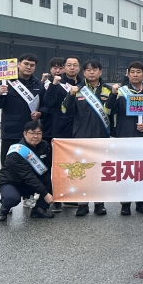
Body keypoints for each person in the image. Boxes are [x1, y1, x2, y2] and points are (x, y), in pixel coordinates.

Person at [106, 61, 143, 216]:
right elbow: (109, 110)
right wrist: (113, 94)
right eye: (132, 72)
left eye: (139, 72)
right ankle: (125, 204)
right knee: (125, 171)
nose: (135, 74)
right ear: (127, 74)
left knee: (142, 171)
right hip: (125, 135)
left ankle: (141, 202)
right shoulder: (121, 92)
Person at [62, 59, 114, 217]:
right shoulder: (77, 89)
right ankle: (82, 204)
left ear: (100, 72)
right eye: (88, 70)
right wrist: (70, 95)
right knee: (81, 172)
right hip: (81, 136)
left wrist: (114, 95)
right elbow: (64, 110)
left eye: (95, 69)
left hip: (101, 136)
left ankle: (99, 204)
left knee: (99, 171)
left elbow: (112, 112)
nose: (91, 72)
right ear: (84, 73)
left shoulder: (108, 90)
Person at [0, 53, 47, 166]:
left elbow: (45, 105)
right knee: (9, 165)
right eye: (26, 64)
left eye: (32, 65)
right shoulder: (7, 83)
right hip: (11, 132)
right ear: (18, 64)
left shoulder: (38, 85)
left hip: (32, 133)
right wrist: (0, 94)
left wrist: (40, 113)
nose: (28, 67)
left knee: (31, 166)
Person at [43, 55, 82, 213]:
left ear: (79, 68)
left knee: (74, 165)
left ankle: (70, 196)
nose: (72, 68)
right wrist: (53, 85)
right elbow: (49, 103)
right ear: (65, 68)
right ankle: (56, 197)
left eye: (75, 65)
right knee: (57, 166)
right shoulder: (57, 84)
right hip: (60, 130)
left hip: (79, 130)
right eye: (69, 65)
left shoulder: (83, 84)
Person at [0, 121, 54, 222]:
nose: (36, 136)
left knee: (52, 179)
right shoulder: (16, 152)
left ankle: (39, 209)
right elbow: (27, 176)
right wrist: (45, 194)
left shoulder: (44, 146)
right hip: (11, 182)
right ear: (25, 134)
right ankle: (3, 210)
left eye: (39, 133)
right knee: (12, 198)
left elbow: (47, 168)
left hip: (30, 182)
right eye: (32, 133)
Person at [40, 57, 65, 142]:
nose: (58, 71)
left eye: (61, 68)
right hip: (47, 124)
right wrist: (42, 82)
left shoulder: (70, 84)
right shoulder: (44, 83)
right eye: (55, 68)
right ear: (50, 69)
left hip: (63, 125)